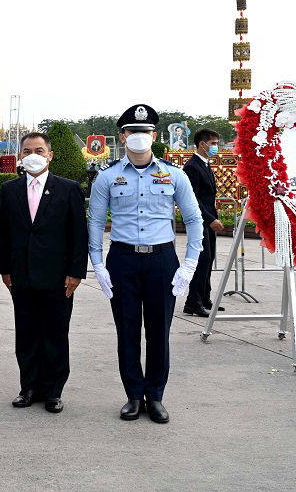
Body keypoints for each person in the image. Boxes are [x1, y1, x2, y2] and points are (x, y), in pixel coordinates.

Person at [87, 104, 203, 424]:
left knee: (158, 332)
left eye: (145, 132)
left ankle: (155, 395)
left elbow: (194, 220)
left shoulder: (174, 174)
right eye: (133, 132)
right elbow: (95, 222)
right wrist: (97, 264)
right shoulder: (107, 177)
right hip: (123, 259)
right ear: (123, 136)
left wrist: (189, 265)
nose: (139, 137)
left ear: (154, 135)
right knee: (127, 331)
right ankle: (133, 395)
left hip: (161, 259)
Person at [0, 132, 87, 413]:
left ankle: (53, 390)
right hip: (21, 276)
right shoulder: (10, 190)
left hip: (58, 277)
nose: (32, 154)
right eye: (26, 150)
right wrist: (5, 270)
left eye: (38, 149)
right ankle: (29, 387)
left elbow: (78, 235)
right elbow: (4, 233)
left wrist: (76, 273)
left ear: (50, 155)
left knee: (55, 334)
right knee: (26, 334)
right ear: (20, 156)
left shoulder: (69, 189)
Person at [182, 129, 227, 317]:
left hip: (208, 219)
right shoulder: (192, 166)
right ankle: (193, 302)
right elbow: (193, 198)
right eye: (214, 143)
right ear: (203, 144)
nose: (216, 147)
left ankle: (204, 297)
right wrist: (210, 220)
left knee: (209, 260)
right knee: (202, 261)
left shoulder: (204, 164)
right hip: (200, 221)